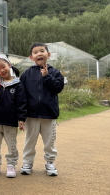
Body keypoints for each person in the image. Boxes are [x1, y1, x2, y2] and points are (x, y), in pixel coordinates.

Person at [19, 42, 64, 176]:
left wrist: (47, 76)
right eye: (36, 52)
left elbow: (58, 88)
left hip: (49, 114)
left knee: (49, 141)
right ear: (31, 57)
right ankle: (27, 163)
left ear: (48, 55)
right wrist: (21, 116)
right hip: (31, 115)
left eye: (42, 51)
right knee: (30, 141)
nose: (39, 53)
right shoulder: (26, 74)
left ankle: (50, 162)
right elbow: (22, 96)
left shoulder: (55, 72)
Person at [0, 55, 27, 178]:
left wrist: (21, 118)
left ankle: (11, 164)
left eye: (3, 66)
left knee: (11, 144)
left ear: (9, 65)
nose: (1, 71)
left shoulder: (18, 85)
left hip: (10, 120)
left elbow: (22, 102)